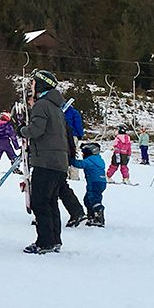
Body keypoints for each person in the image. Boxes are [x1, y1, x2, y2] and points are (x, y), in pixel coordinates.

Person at [20, 70, 72, 254]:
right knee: (51, 202)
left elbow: (37, 130)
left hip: (46, 162)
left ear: (41, 85)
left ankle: (45, 242)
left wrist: (22, 130)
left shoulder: (42, 105)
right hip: (59, 162)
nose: (31, 86)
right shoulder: (56, 107)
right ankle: (54, 239)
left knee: (39, 201)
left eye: (33, 83)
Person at [72, 142, 107, 227]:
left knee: (94, 199)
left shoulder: (90, 160)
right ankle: (91, 216)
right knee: (88, 199)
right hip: (102, 182)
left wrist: (71, 159)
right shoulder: (99, 159)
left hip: (93, 182)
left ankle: (98, 217)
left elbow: (80, 164)